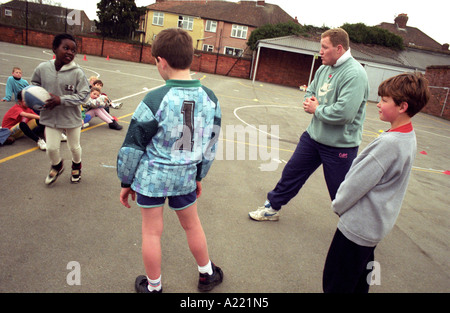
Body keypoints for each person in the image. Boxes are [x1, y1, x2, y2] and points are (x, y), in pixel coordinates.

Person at [117, 28, 223, 293]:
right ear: (190, 58)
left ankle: (154, 287)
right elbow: (210, 145)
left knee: (152, 232)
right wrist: (199, 175)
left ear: (161, 61)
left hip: (151, 178)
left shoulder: (155, 99)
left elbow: (133, 145)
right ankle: (206, 274)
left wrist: (126, 180)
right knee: (192, 225)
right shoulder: (210, 98)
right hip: (185, 176)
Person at [323, 72, 430, 293]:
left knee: (336, 284)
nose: (378, 104)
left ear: (402, 106)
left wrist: (338, 206)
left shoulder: (389, 144)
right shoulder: (407, 135)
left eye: (384, 100)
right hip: (372, 228)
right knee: (357, 283)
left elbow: (355, 185)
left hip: (357, 228)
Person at [249, 28, 369, 221]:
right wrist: (310, 103)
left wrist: (317, 109)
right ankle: (272, 208)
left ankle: (357, 228)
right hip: (313, 138)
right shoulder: (323, 68)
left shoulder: (355, 74)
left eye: (324, 47)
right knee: (291, 173)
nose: (320, 51)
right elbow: (310, 92)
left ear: (339, 48)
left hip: (340, 146)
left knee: (342, 192)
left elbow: (345, 113)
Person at [31, 33, 90, 185]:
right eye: (66, 48)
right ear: (54, 49)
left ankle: (77, 165)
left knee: (74, 147)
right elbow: (34, 84)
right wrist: (34, 95)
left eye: (73, 50)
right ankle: (57, 165)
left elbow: (84, 96)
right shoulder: (43, 68)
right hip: (51, 117)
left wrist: (61, 100)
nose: (70, 52)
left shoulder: (77, 73)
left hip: (71, 117)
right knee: (51, 148)